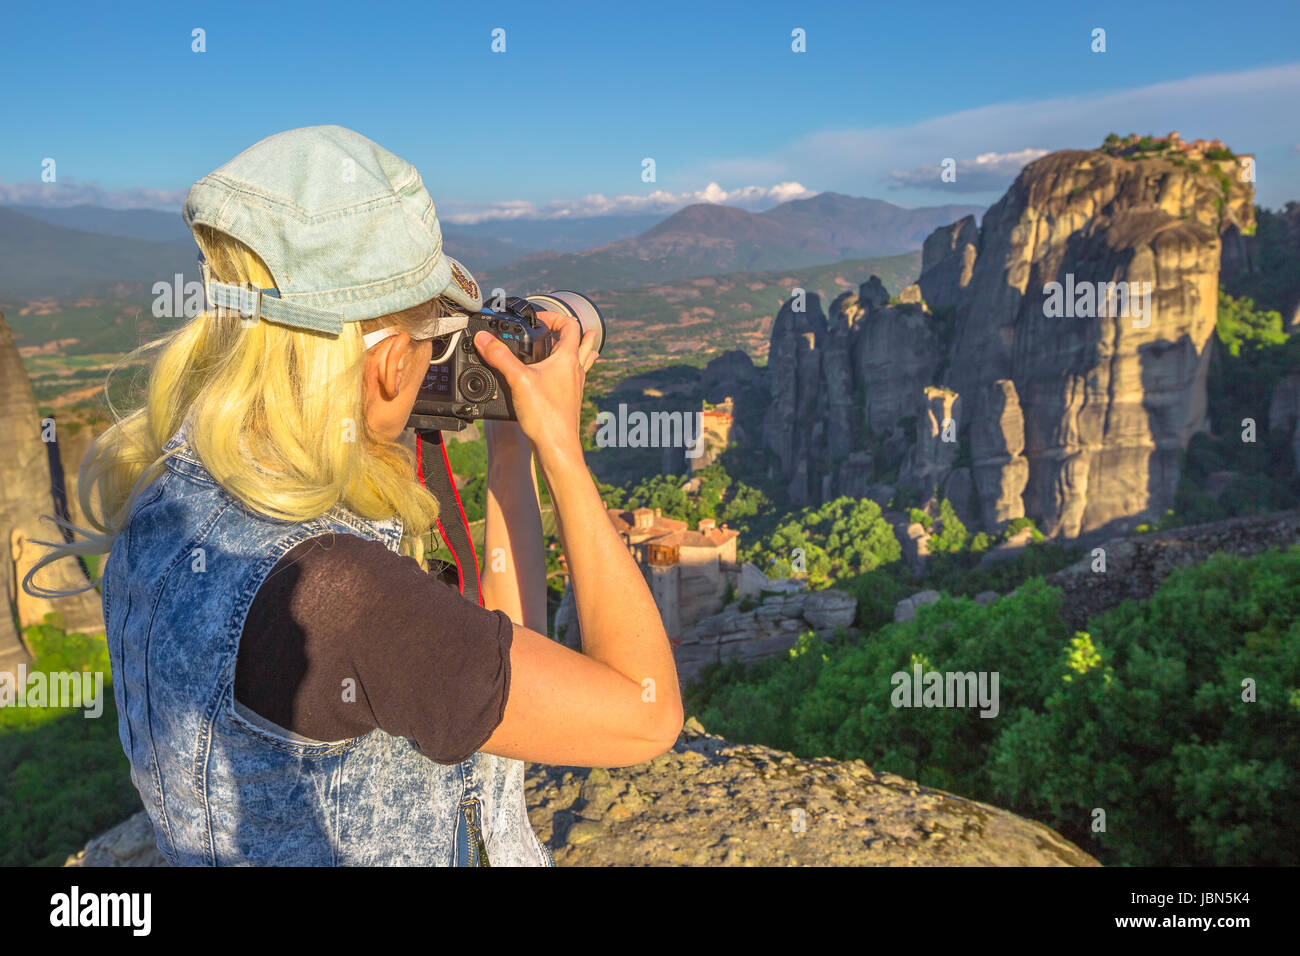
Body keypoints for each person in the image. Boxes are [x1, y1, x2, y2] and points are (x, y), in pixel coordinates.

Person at [24, 125, 683, 866]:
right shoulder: (343, 594)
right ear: (392, 364)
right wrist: (562, 447)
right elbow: (644, 711)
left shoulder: (165, 499)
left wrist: (509, 449)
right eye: (434, 337)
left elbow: (496, 653)